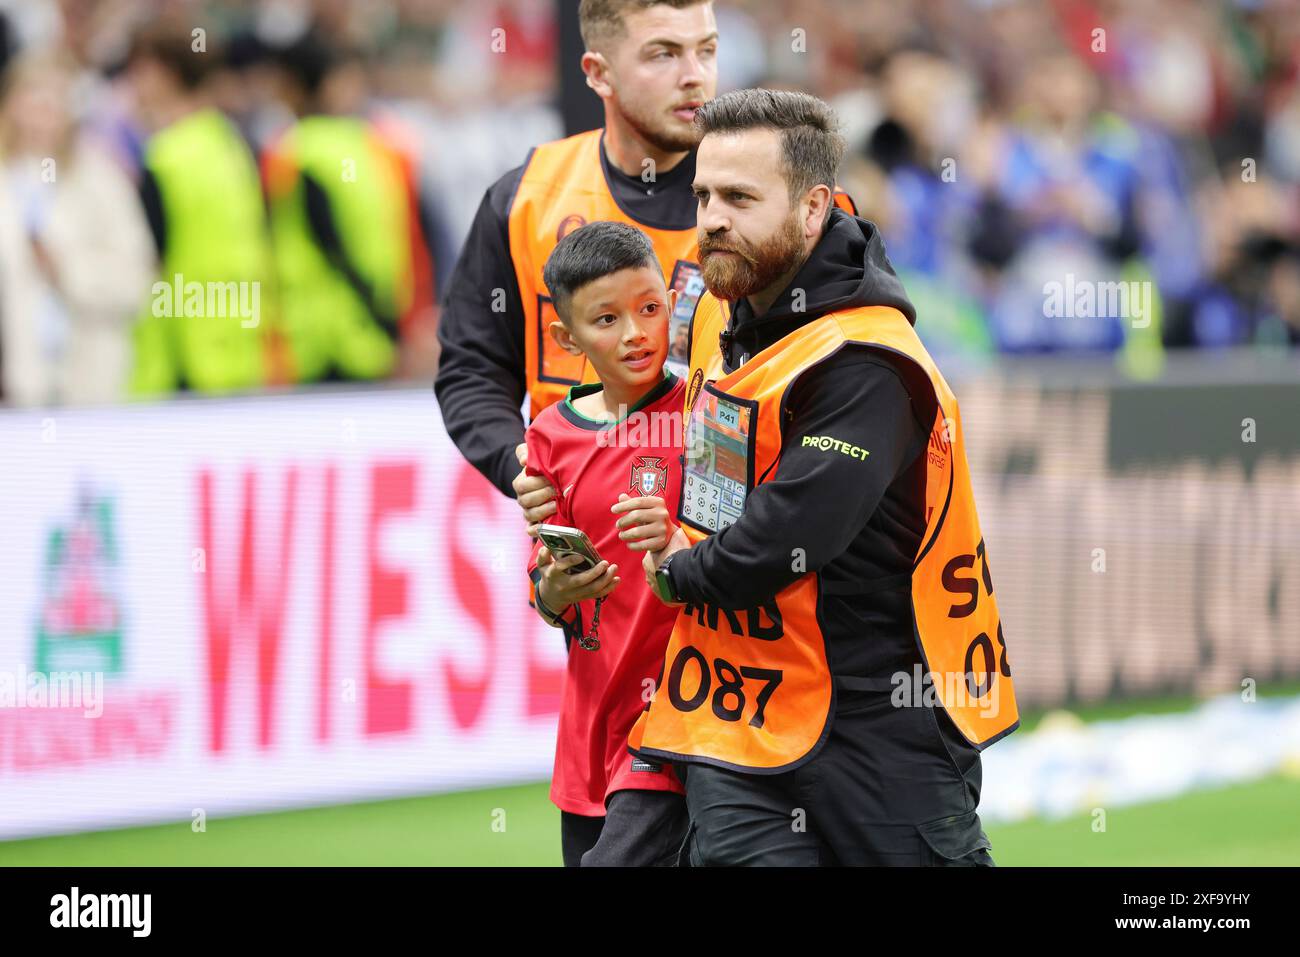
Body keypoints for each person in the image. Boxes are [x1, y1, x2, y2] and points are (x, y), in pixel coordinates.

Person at [628, 89, 1020, 866]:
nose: (710, 218)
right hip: (739, 721)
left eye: (740, 197)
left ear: (812, 210)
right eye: (703, 194)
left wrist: (677, 571)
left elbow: (788, 536)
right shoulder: (712, 303)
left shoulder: (867, 362)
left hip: (879, 725)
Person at [435, 0, 720, 508]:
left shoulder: (770, 201)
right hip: (575, 569)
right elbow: (471, 367)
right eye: (663, 55)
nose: (694, 76)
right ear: (598, 73)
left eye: (707, 50)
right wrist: (523, 465)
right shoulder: (526, 199)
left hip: (722, 560)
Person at [525, 221, 689, 866]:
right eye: (606, 319)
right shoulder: (549, 437)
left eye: (649, 308)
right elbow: (543, 586)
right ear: (568, 338)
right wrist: (555, 589)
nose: (635, 333)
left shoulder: (708, 411)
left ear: (672, 304)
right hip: (592, 724)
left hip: (681, 714)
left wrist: (678, 542)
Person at [125, 21, 276, 396]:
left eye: (140, 71)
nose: (133, 84)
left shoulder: (164, 157)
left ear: (165, 74)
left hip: (180, 352)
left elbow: (148, 257)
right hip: (238, 344)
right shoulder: (233, 145)